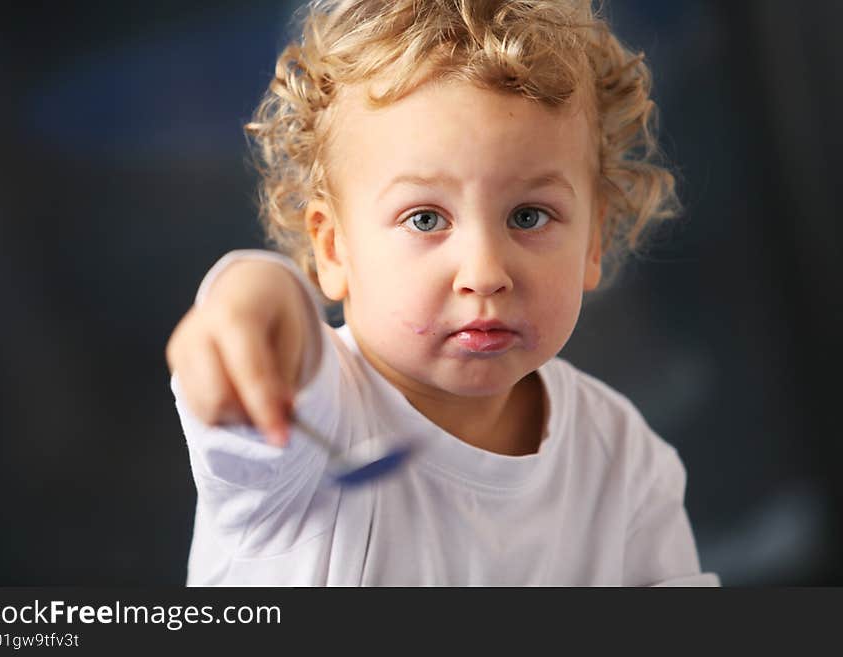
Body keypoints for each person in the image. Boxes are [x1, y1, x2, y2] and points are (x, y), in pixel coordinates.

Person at [166, 0, 720, 586]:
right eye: (426, 219)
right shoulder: (312, 428)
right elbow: (269, 329)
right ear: (332, 250)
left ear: (592, 241)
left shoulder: (626, 461)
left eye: (529, 216)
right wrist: (250, 297)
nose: (484, 273)